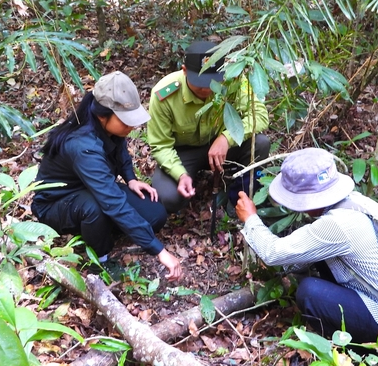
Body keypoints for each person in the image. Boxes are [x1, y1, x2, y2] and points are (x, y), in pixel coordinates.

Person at [235, 148, 378, 349]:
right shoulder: (356, 203)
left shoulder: (335, 225)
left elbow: (272, 253)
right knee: (315, 259)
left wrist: (250, 218)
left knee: (309, 291)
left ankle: (347, 350)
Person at [31, 71, 182, 281]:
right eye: (126, 121)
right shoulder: (83, 146)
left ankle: (96, 229)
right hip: (56, 204)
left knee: (155, 214)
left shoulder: (106, 126)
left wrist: (131, 179)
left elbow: (119, 149)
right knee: (96, 207)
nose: (132, 127)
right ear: (103, 115)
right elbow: (112, 201)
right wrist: (160, 251)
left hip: (90, 189)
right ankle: (100, 261)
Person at [147, 40, 270, 214]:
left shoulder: (233, 80)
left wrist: (226, 138)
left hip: (221, 147)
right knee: (168, 198)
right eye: (200, 83)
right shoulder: (165, 94)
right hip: (183, 152)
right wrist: (180, 174)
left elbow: (260, 115)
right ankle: (188, 178)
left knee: (260, 144)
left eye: (213, 82)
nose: (207, 89)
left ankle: (238, 198)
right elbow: (161, 145)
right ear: (184, 71)